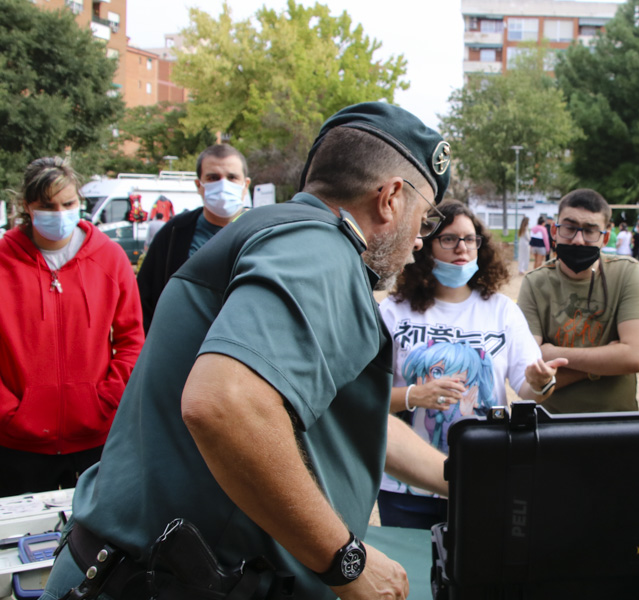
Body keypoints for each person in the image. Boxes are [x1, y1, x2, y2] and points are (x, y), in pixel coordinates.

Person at [43, 103, 457, 600]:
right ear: (390, 198)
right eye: (425, 216)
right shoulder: (321, 250)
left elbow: (324, 421)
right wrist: (346, 560)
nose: (419, 240)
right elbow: (226, 405)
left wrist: (455, 476)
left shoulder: (284, 233)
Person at [378, 201, 564, 529]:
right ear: (425, 245)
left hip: (485, 478)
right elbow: (364, 399)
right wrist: (413, 396)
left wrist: (540, 382)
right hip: (405, 488)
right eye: (449, 239)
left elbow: (529, 389)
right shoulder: (394, 311)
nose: (462, 248)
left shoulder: (502, 311)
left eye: (470, 238)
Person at [0, 158, 144, 498]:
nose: (59, 213)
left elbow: (132, 339)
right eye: (47, 206)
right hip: (17, 445)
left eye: (68, 203)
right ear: (26, 207)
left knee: (95, 545)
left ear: (80, 202)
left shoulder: (110, 258)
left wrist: (106, 400)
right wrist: (8, 411)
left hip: (96, 439)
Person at [517, 189, 639, 414]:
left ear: (605, 237)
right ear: (554, 231)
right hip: (552, 425)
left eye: (589, 231)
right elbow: (532, 368)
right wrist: (605, 363)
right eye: (569, 228)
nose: (578, 240)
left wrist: (551, 352)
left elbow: (634, 357)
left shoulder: (626, 272)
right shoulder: (534, 282)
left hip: (619, 421)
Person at [136, 144, 251, 332]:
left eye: (232, 177)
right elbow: (144, 299)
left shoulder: (263, 232)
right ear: (199, 185)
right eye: (213, 178)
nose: (223, 185)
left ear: (245, 185)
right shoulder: (174, 233)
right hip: (181, 350)